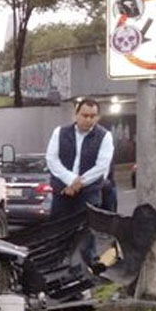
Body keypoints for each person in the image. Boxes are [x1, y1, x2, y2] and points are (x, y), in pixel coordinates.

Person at [45, 98, 114, 266]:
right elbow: (52, 159)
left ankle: (84, 276)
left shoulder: (104, 136)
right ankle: (55, 268)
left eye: (93, 116)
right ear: (76, 114)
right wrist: (70, 180)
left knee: (86, 235)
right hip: (62, 191)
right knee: (58, 232)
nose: (88, 119)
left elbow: (102, 166)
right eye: (85, 115)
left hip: (89, 194)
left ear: (97, 117)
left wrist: (79, 183)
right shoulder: (59, 132)